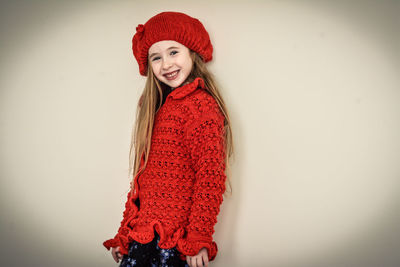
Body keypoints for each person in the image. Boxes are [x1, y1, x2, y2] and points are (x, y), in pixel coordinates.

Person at [103, 11, 234, 267]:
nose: (166, 64)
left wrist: (198, 237)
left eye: (174, 52)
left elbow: (210, 176)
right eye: (156, 57)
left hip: (174, 242)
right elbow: (142, 182)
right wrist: (125, 232)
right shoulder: (154, 107)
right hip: (143, 237)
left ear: (192, 53)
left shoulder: (200, 107)